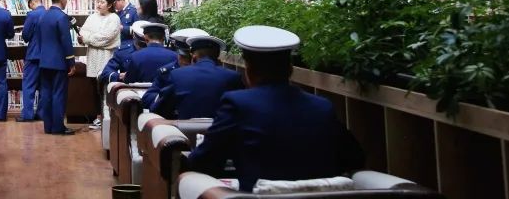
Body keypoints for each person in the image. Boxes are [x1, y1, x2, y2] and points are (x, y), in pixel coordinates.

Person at [186, 26, 365, 192]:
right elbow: (354, 158)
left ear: (248, 70)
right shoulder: (323, 107)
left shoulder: (237, 103)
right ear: (290, 69)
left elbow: (204, 161)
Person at [149, 35, 244, 119]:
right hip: (221, 132)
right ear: (218, 57)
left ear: (193, 57)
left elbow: (158, 109)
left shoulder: (177, 75)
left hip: (185, 131)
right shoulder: (233, 77)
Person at [37, 0, 76, 135]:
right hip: (59, 62)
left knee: (46, 94)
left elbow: (39, 39)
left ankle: (48, 126)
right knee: (58, 94)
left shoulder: (43, 16)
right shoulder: (61, 17)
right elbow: (66, 41)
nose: (67, 1)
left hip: (44, 61)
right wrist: (71, 62)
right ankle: (58, 127)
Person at [79, 0, 122, 129]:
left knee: (106, 87)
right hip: (92, 57)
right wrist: (89, 38)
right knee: (95, 89)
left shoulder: (114, 18)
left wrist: (88, 39)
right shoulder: (92, 17)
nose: (98, 4)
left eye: (102, 2)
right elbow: (82, 32)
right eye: (98, 1)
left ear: (109, 5)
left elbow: (106, 38)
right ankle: (98, 117)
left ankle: (107, 119)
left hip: (106, 57)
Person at [142, 27, 209, 110]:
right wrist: (166, 95)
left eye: (191, 59)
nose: (186, 62)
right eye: (184, 57)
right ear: (178, 54)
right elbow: (147, 99)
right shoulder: (166, 72)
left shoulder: (210, 74)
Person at [17, 0, 45, 122]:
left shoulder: (32, 15)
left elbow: (26, 36)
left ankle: (27, 115)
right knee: (44, 86)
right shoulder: (49, 14)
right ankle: (42, 114)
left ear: (33, 3)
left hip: (33, 55)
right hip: (47, 57)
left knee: (28, 85)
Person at [99, 19, 147, 84]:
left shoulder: (156, 51)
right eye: (140, 44)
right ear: (133, 36)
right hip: (129, 87)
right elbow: (106, 73)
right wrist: (120, 76)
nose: (142, 48)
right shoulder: (123, 51)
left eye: (145, 45)